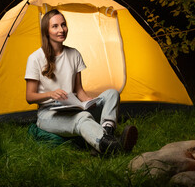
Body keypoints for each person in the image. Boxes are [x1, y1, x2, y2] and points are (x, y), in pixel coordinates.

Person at [25, 9, 137, 154]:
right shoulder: (35, 58)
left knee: (112, 94)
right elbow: (30, 97)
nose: (61, 30)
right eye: (55, 26)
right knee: (82, 117)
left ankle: (106, 136)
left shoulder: (74, 54)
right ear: (46, 31)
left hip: (72, 106)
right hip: (48, 114)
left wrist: (88, 102)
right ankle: (114, 147)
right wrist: (51, 94)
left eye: (63, 25)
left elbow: (79, 90)